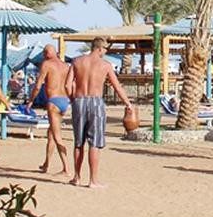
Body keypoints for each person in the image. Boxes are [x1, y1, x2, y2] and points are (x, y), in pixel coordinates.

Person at [66, 38, 134, 188]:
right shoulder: (105, 65)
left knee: (79, 142)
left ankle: (77, 177)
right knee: (94, 143)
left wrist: (73, 99)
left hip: (79, 100)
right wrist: (127, 103)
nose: (105, 52)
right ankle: (93, 180)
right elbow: (117, 86)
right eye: (105, 49)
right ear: (99, 48)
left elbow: (67, 85)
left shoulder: (77, 61)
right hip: (96, 102)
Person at [26, 44, 71, 176]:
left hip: (53, 102)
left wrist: (31, 101)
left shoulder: (46, 64)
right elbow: (70, 85)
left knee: (57, 137)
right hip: (64, 101)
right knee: (51, 133)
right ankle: (46, 164)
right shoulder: (66, 66)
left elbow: (38, 85)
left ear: (46, 53)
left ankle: (66, 168)